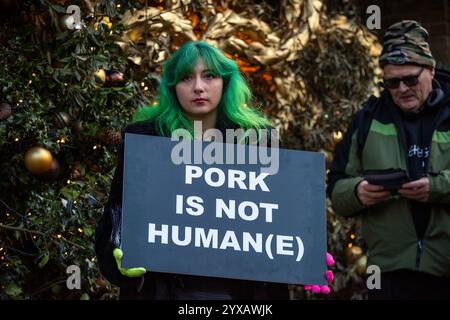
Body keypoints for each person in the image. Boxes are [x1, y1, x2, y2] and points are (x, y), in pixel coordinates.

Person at [95, 41, 292, 300]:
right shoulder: (146, 142)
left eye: (209, 76)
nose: (198, 87)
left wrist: (302, 251)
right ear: (172, 87)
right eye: (186, 78)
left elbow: (279, 221)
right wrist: (119, 257)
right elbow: (115, 220)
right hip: (165, 291)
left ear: (226, 83)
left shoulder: (259, 142)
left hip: (242, 295)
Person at [327, 20, 450, 300]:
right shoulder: (367, 119)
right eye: (392, 82)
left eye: (410, 79)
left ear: (431, 70)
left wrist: (437, 187)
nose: (402, 89)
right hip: (389, 275)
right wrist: (358, 192)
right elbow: (336, 190)